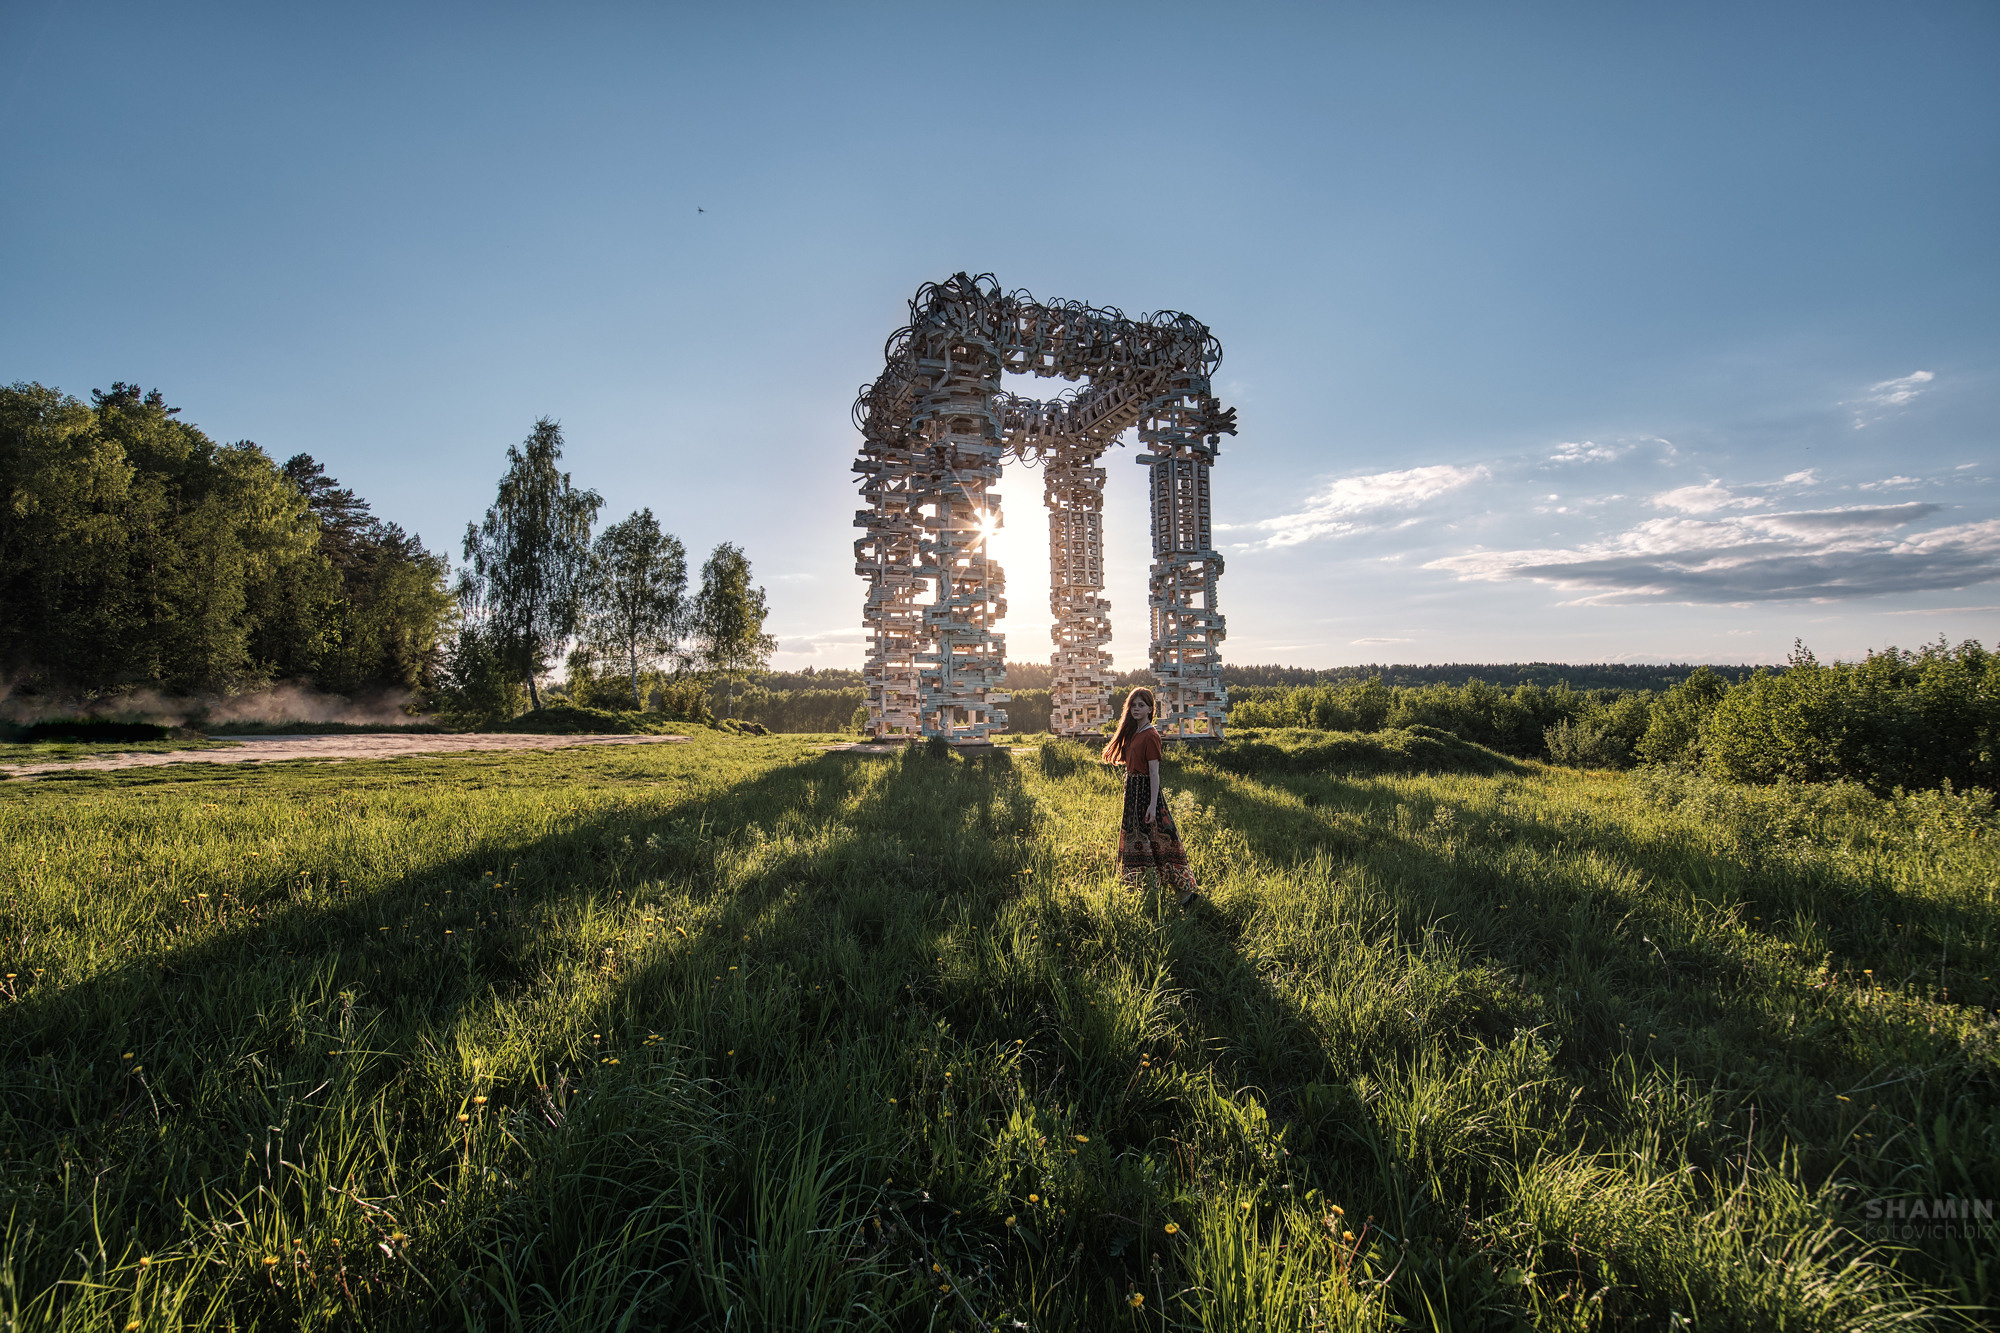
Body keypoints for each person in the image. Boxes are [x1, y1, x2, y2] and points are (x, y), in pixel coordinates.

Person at [1101, 687, 1198, 905]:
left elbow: (1154, 772)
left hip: (1146, 792)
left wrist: (1153, 805)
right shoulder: (1133, 732)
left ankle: (1185, 894)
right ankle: (1141, 891)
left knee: (1161, 840)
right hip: (1133, 792)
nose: (1136, 709)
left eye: (1141, 705)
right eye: (1133, 705)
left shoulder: (1151, 735)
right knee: (1139, 841)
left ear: (1150, 709)